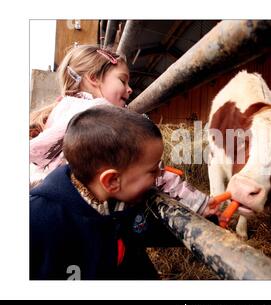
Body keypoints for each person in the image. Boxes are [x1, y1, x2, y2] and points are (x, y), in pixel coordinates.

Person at [30, 105, 219, 280]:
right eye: (153, 170)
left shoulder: (122, 201)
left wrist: (208, 224)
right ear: (112, 181)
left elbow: (155, 230)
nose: (160, 174)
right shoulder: (37, 221)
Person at [30, 44, 133, 186]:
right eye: (123, 80)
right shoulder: (97, 109)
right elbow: (132, 153)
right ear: (94, 78)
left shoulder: (65, 106)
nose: (130, 89)